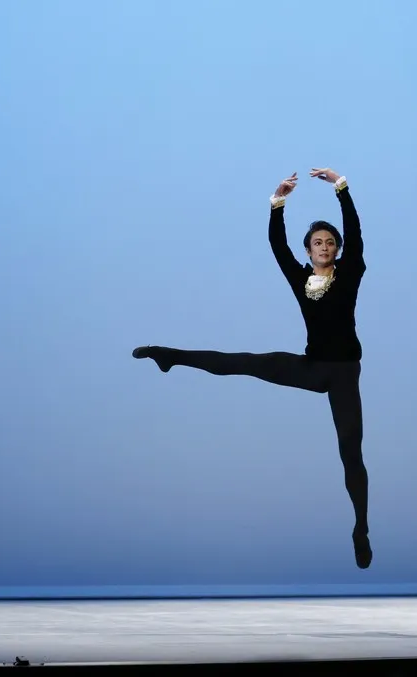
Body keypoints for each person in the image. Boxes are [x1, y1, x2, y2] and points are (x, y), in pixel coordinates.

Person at [132, 168, 373, 569]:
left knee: (350, 450)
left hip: (344, 372)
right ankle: (168, 355)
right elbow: (278, 246)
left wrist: (340, 187)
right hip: (312, 367)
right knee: (245, 362)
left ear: (338, 249)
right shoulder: (301, 278)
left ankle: (361, 528)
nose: (324, 246)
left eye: (330, 242)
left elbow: (356, 233)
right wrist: (278, 203)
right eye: (317, 242)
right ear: (309, 251)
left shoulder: (349, 273)